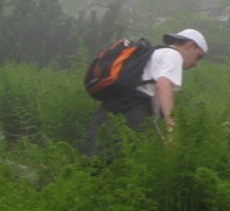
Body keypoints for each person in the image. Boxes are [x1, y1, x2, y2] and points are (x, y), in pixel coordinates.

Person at [84, 28, 208, 156]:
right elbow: (163, 84)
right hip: (134, 110)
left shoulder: (155, 53)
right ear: (190, 45)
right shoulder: (174, 55)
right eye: (198, 56)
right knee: (133, 162)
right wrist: (172, 128)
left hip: (110, 107)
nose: (196, 64)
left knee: (95, 159)